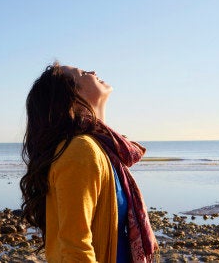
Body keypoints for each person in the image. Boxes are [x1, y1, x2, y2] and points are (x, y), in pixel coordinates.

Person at [20, 62, 158, 262]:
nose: (93, 71)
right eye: (83, 73)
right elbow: (76, 247)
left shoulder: (102, 149)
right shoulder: (80, 150)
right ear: (71, 99)